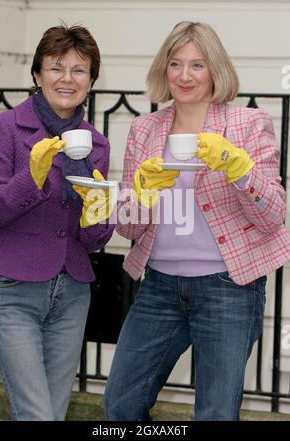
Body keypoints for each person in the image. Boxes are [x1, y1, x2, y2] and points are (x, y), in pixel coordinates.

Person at [104, 21, 290, 421]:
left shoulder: (247, 125)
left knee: (216, 413)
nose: (184, 75)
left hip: (227, 287)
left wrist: (239, 168)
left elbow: (274, 214)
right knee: (120, 404)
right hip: (158, 286)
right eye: (175, 64)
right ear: (163, 69)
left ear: (215, 71)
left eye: (197, 65)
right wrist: (140, 194)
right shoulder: (144, 128)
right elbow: (130, 228)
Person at [0, 24, 114, 420]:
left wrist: (97, 211)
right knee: (37, 414)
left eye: (79, 70)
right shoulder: (2, 129)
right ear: (37, 75)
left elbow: (92, 239)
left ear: (91, 81)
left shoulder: (95, 144)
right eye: (56, 67)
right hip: (11, 291)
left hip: (72, 294)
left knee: (54, 414)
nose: (67, 79)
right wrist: (34, 175)